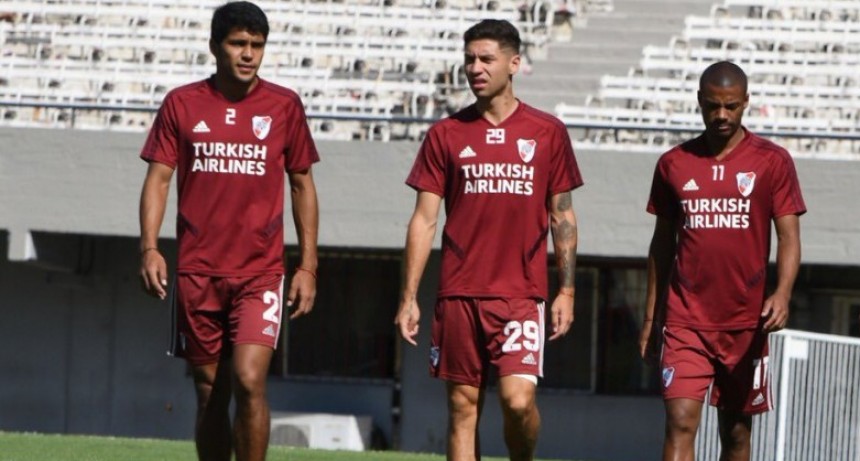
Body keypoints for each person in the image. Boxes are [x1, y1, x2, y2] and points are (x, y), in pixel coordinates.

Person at [137, 3, 320, 461]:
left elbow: (302, 184)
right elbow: (158, 179)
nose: (248, 55)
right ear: (215, 46)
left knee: (250, 379)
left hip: (260, 273)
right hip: (198, 272)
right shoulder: (182, 103)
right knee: (210, 392)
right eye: (239, 44)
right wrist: (150, 248)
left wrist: (309, 266)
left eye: (257, 46)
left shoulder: (284, 105)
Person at [395, 19, 583, 461]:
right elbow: (424, 220)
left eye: (486, 59)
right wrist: (408, 296)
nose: (475, 68)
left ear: (514, 63)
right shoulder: (446, 134)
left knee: (518, 403)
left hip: (521, 295)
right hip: (459, 293)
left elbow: (563, 215)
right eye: (469, 60)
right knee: (462, 409)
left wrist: (568, 290)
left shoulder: (547, 132)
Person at [639, 61, 805, 461]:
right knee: (679, 423)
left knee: (734, 434)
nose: (721, 115)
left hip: (745, 323)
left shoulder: (772, 161)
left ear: (746, 102)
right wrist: (651, 319)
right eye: (712, 106)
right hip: (685, 323)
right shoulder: (673, 163)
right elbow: (662, 246)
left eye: (731, 106)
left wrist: (782, 294)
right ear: (699, 101)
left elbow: (789, 238)